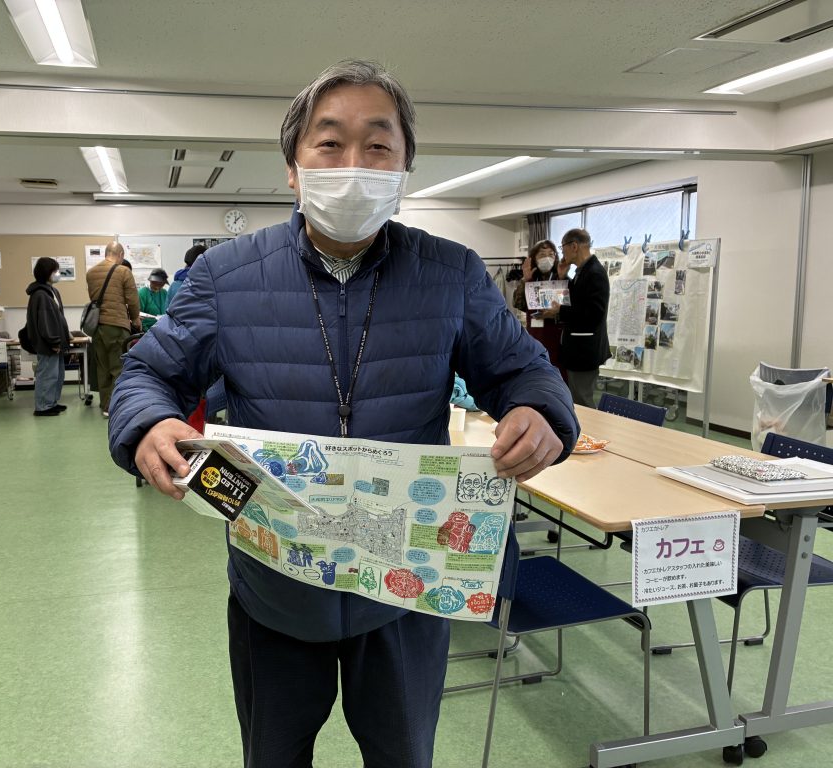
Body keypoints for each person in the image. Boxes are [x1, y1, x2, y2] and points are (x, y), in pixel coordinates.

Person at [108, 60, 578, 768]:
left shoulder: (451, 275)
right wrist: (147, 422)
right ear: (293, 169)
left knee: (403, 756)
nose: (354, 164)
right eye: (329, 143)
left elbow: (524, 370)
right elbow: (148, 372)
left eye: (378, 145)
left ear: (405, 167)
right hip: (275, 583)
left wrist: (541, 410)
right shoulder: (227, 277)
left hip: (406, 588)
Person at [540, 228, 610, 407]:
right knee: (576, 398)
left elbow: (594, 314)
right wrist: (564, 278)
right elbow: (578, 299)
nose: (562, 253)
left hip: (584, 351)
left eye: (562, 247)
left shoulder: (595, 273)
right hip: (576, 349)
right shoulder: (582, 271)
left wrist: (560, 311)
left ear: (574, 246)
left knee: (582, 401)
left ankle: (588, 427)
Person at [86, 241, 140, 418]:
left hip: (97, 326)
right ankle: (115, 406)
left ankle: (105, 405)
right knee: (118, 367)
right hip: (117, 325)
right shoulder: (124, 271)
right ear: (121, 255)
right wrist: (135, 319)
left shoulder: (91, 273)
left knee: (102, 368)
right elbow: (132, 300)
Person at [24, 257, 71, 416]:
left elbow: (58, 317)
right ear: (47, 273)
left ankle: (52, 402)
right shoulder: (41, 294)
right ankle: (43, 406)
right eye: (55, 271)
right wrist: (54, 341)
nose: (58, 274)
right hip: (48, 344)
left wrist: (65, 335)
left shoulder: (51, 291)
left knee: (57, 375)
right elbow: (45, 322)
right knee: (47, 375)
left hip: (56, 343)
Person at [512, 239, 565, 377]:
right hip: (535, 335)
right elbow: (518, 304)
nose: (547, 258)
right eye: (542, 255)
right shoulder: (531, 279)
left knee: (557, 375)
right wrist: (525, 280)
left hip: (556, 337)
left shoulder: (560, 278)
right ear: (534, 258)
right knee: (536, 374)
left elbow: (570, 311)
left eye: (551, 254)